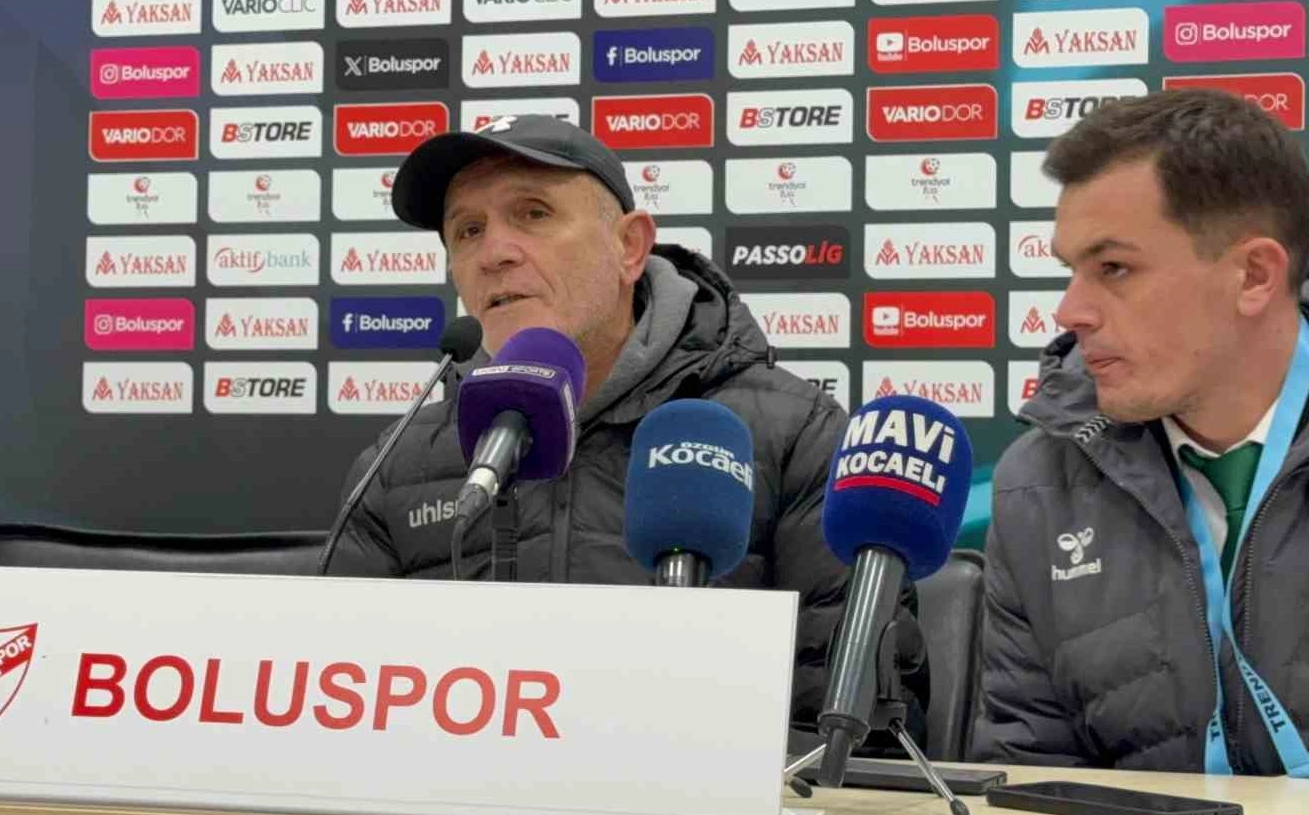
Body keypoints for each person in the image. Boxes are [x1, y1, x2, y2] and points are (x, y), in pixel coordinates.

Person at [326, 114, 928, 742]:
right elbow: (335, 714)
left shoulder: (793, 434)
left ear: (630, 247)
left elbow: (849, 740)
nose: (493, 252)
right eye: (467, 230)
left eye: (533, 213)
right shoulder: (398, 466)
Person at [974, 89, 1309, 778]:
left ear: (1253, 276)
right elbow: (1032, 784)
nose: (1070, 311)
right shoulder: (1038, 487)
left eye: (1114, 268)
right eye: (1071, 270)